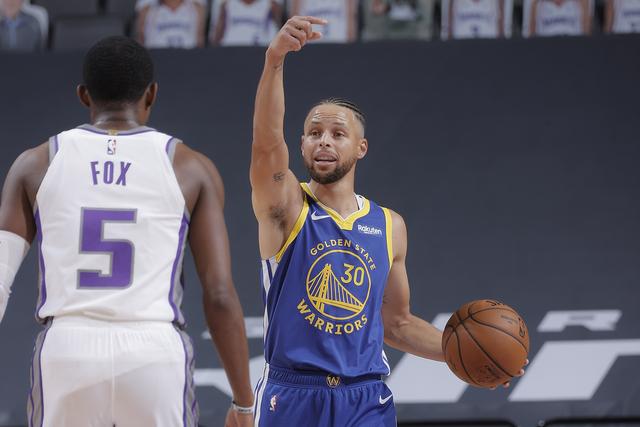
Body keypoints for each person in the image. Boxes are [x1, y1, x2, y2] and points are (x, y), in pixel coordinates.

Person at [250, 16, 525, 426]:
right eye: (313, 132)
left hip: (365, 397)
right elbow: (267, 145)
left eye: (337, 133)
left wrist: (476, 357)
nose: (323, 139)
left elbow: (396, 324)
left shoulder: (388, 225)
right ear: (303, 144)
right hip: (292, 394)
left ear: (360, 148)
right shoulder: (287, 206)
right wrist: (274, 62)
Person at [0, 36, 253, 427]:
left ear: (84, 95)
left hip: (68, 348)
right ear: (151, 94)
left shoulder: (35, 164)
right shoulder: (190, 167)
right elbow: (219, 295)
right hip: (154, 349)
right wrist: (243, 401)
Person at [136, 0, 206, 48]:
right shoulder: (149, 11)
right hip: (157, 59)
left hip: (188, 59)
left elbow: (200, 42)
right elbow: (141, 39)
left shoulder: (195, 9)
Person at [211, 0, 282, 46]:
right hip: (230, 52)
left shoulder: (271, 5)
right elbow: (217, 37)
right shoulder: (227, 4)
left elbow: (279, 34)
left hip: (260, 52)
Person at [288, 0, 358, 43]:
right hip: (310, 45)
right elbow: (295, 17)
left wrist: (350, 44)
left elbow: (351, 16)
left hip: (339, 42)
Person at [441, 0, 512, 39]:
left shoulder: (498, 2)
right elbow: (449, 29)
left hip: (489, 49)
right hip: (460, 48)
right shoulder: (453, 2)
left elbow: (502, 29)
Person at [526, 0, 591, 36]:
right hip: (546, 47)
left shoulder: (579, 3)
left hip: (573, 46)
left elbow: (586, 33)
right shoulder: (538, 4)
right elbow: (532, 36)